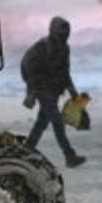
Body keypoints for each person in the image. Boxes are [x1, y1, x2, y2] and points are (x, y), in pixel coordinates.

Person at [20, 16, 86, 168]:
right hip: (43, 90)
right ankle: (69, 155)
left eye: (66, 34)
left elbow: (64, 72)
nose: (63, 37)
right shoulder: (42, 47)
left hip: (53, 90)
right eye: (61, 34)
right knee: (57, 122)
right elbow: (28, 67)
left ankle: (28, 148)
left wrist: (73, 92)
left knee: (42, 122)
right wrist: (32, 90)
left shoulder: (64, 49)